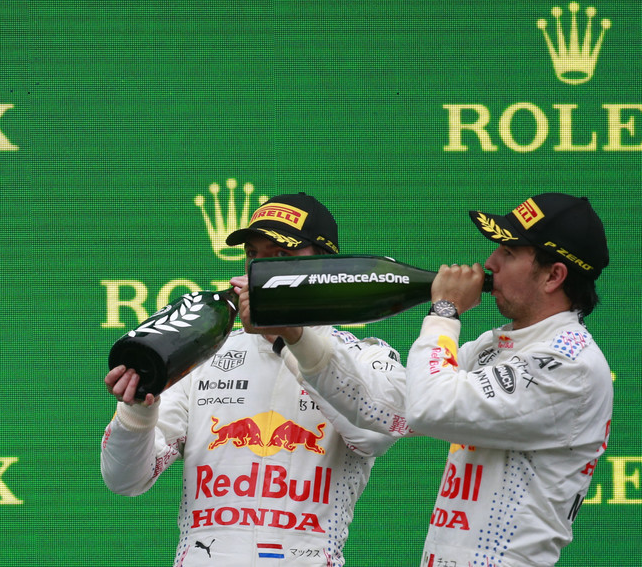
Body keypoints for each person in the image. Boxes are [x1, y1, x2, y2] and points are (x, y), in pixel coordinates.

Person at [254, 193, 612, 567]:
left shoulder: (570, 364)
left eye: (508, 252)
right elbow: (389, 406)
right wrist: (293, 338)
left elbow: (430, 407)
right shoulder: (495, 346)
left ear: (554, 276)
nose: (490, 262)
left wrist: (445, 310)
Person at [101, 193, 402, 566]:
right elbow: (125, 480)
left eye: (281, 255)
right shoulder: (203, 355)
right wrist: (137, 410)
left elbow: (374, 436)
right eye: (253, 254)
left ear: (325, 266)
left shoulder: (365, 357)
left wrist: (286, 339)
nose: (260, 268)